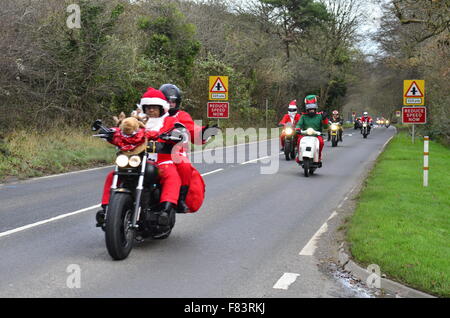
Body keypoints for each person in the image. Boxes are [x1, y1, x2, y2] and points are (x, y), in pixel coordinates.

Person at [96, 87, 183, 227]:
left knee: (172, 175)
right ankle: (105, 210)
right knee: (112, 175)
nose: (151, 110)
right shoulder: (135, 119)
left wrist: (175, 135)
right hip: (136, 160)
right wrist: (109, 133)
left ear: (162, 109)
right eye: (148, 107)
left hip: (160, 160)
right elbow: (122, 129)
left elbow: (177, 132)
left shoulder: (168, 121)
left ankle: (165, 211)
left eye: (155, 108)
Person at [158, 83, 217, 213]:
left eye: (173, 101)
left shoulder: (182, 116)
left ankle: (181, 199)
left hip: (174, 152)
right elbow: (134, 125)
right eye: (168, 101)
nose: (171, 104)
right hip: (150, 153)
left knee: (184, 166)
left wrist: (204, 132)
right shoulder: (152, 113)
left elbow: (192, 130)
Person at [295, 95, 329, 163]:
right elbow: (299, 124)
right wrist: (298, 128)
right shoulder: (303, 116)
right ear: (307, 109)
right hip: (305, 134)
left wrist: (324, 119)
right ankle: (299, 155)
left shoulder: (320, 116)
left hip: (317, 135)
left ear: (315, 109)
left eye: (313, 109)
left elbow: (326, 127)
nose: (311, 111)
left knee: (321, 142)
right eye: (310, 109)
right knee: (299, 140)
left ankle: (318, 157)